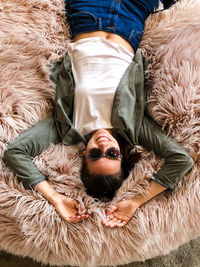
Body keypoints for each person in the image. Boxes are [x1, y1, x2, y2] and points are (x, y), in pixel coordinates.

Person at [3, 0, 192, 228]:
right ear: (122, 154)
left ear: (84, 156)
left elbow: (15, 153)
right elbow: (181, 160)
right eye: (112, 153)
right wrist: (135, 201)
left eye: (95, 154)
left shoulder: (66, 128)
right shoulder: (135, 129)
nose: (103, 145)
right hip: (130, 20)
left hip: (88, 16)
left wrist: (56, 197)